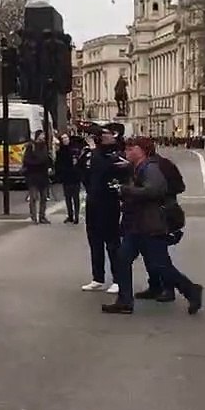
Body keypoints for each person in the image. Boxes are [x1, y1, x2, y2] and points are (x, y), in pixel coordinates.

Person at [103, 136, 203, 316]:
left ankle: (191, 290)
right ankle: (125, 301)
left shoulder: (150, 168)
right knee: (122, 259)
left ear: (141, 150)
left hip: (150, 225)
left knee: (161, 265)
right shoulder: (139, 167)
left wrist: (126, 190)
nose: (127, 152)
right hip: (138, 224)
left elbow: (155, 190)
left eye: (130, 148)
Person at [78, 124, 126, 294]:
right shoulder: (92, 153)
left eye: (105, 134)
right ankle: (97, 277)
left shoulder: (116, 152)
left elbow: (104, 168)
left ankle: (118, 279)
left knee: (112, 243)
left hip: (109, 202)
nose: (103, 137)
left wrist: (94, 152)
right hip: (94, 201)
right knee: (94, 241)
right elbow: (83, 171)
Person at [22, 130, 52, 224]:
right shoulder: (31, 147)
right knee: (33, 197)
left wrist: (49, 167)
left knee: (43, 198)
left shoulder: (44, 146)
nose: (43, 136)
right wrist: (39, 162)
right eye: (42, 135)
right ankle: (34, 217)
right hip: (33, 176)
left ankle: (42, 217)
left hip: (43, 176)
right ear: (37, 136)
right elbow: (27, 161)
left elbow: (47, 159)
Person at [56, 133, 83, 223]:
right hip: (66, 177)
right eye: (63, 139)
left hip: (75, 177)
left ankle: (76, 216)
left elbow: (80, 162)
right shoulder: (60, 151)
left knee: (75, 198)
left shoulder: (75, 149)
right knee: (68, 198)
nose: (65, 140)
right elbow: (58, 164)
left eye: (66, 138)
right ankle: (70, 215)